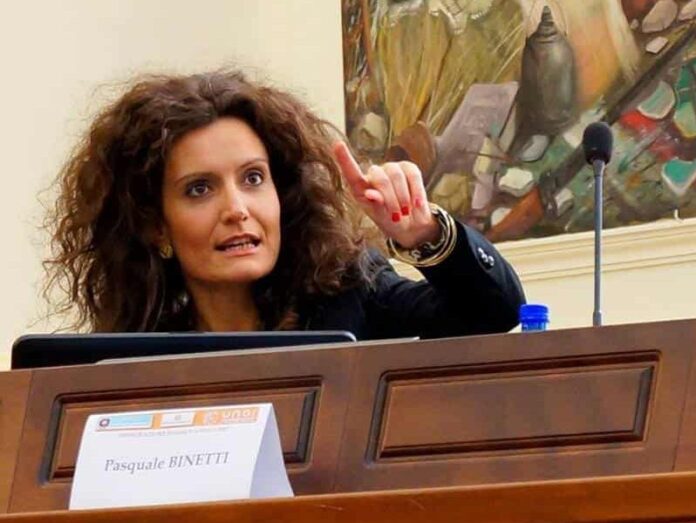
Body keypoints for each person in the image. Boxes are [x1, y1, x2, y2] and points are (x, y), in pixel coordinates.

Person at [43, 70, 525, 339]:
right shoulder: (136, 352)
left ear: (282, 193)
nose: (237, 208)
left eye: (253, 178)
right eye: (199, 189)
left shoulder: (350, 293)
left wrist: (426, 235)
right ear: (156, 226)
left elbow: (494, 313)